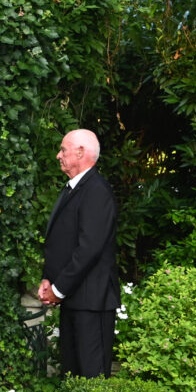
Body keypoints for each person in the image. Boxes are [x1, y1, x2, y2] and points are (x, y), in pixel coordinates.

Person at [38, 128, 119, 378]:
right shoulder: (73, 188)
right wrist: (48, 279)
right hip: (74, 298)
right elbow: (62, 242)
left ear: (81, 152)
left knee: (91, 378)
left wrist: (58, 289)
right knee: (72, 375)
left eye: (63, 149)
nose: (58, 155)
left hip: (92, 303)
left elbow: (88, 249)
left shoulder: (96, 190)